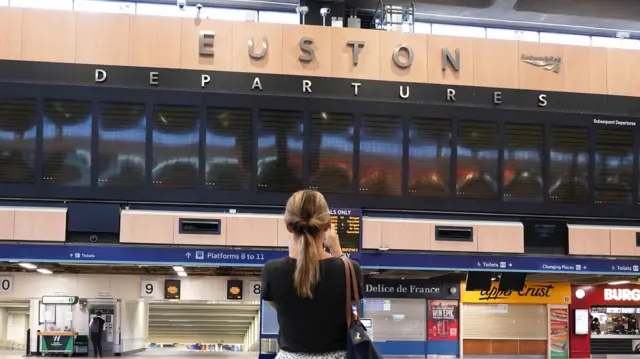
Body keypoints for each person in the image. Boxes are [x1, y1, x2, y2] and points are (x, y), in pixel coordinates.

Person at [261, 190, 363, 359]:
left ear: (288, 226)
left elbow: (282, 306)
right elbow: (347, 303)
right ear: (328, 225)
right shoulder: (349, 269)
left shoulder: (272, 270)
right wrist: (337, 250)